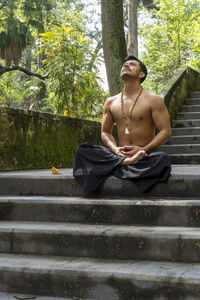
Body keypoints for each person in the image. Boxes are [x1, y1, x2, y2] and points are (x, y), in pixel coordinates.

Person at [73, 55, 172, 193]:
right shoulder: (110, 102)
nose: (126, 65)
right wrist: (115, 150)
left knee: (162, 159)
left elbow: (166, 131)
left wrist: (143, 149)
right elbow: (105, 132)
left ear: (141, 74)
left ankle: (115, 166)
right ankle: (125, 163)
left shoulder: (154, 100)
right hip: (120, 153)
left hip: (144, 154)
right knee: (83, 150)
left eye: (132, 64)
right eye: (124, 64)